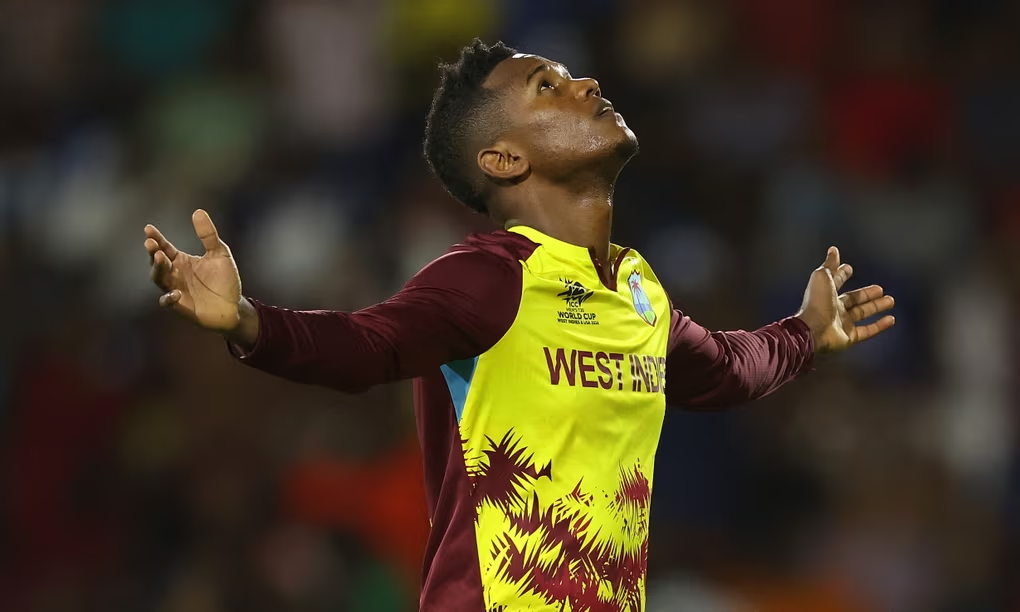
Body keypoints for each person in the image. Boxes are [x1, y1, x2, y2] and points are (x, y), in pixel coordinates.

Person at [142, 40, 895, 612]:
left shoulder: (635, 289)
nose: (587, 85)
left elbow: (728, 368)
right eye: (549, 88)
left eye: (571, 78)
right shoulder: (490, 277)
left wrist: (806, 332)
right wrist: (246, 321)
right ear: (503, 159)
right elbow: (370, 345)